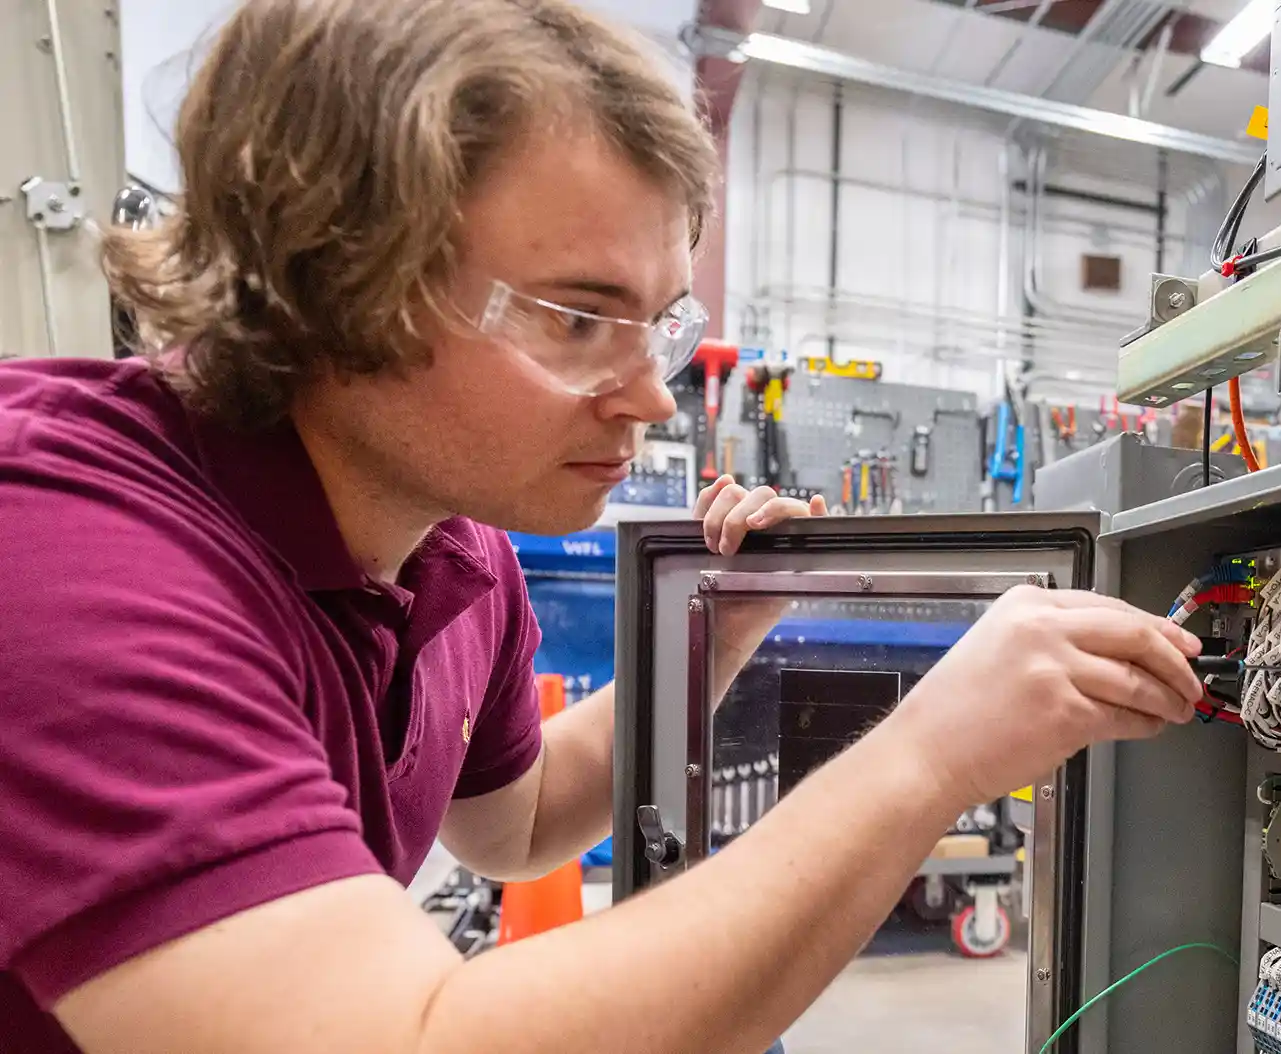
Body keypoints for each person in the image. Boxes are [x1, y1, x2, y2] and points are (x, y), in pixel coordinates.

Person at [0, 2, 1206, 1051]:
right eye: (577, 320)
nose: (647, 394)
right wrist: (933, 754)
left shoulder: (453, 552)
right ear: (334, 278)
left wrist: (724, 623)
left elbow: (517, 827)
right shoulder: (62, 558)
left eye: (659, 329)